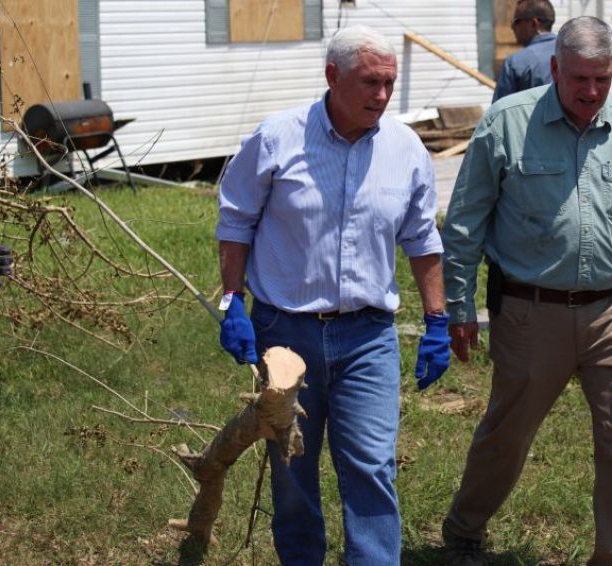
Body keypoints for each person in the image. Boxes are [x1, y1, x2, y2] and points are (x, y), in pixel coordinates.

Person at [440, 16, 612, 566]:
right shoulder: (507, 123)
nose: (590, 92)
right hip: (530, 314)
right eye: (579, 79)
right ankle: (464, 530)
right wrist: (459, 308)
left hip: (610, 312)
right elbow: (464, 224)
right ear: (554, 69)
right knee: (507, 436)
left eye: (601, 79)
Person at [215, 25, 450, 565]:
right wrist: (233, 305)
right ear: (331, 77)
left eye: (390, 83)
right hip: (286, 335)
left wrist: (437, 320)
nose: (382, 96)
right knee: (292, 469)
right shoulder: (277, 138)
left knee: (371, 465)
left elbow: (422, 239)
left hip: (367, 337)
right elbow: (235, 222)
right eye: (370, 82)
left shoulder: (405, 148)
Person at [492, 0, 557, 102]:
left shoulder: (514, 63)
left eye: (516, 21)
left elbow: (500, 114)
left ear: (534, 24)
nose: (512, 27)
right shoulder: (571, 53)